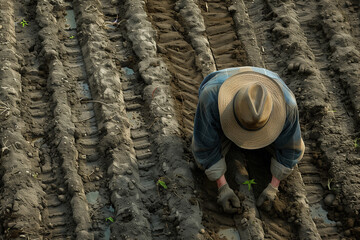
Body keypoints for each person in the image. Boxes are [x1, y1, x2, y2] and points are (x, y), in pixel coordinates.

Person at [191, 67, 305, 213]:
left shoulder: (287, 105)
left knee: (297, 150)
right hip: (220, 104)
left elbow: (291, 149)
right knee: (201, 160)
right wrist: (223, 187)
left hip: (271, 87)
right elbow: (205, 146)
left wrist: (273, 188)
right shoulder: (211, 98)